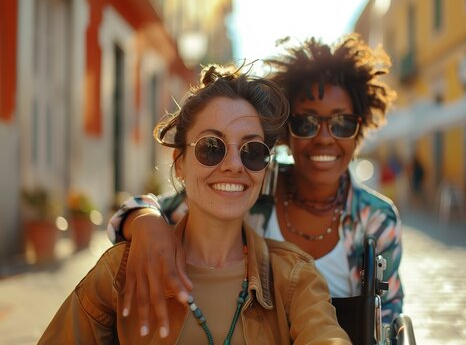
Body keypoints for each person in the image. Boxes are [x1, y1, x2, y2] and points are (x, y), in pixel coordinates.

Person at [108, 34, 404, 336]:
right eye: (306, 123)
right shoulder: (253, 182)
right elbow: (161, 205)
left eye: (342, 123)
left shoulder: (377, 219)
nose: (324, 137)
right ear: (287, 132)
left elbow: (388, 324)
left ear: (359, 130)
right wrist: (146, 223)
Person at [39, 64, 351, 344]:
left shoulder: (295, 276)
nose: (233, 165)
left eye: (252, 151)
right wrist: (143, 219)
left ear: (264, 168)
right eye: (211, 147)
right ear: (179, 164)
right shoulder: (120, 270)